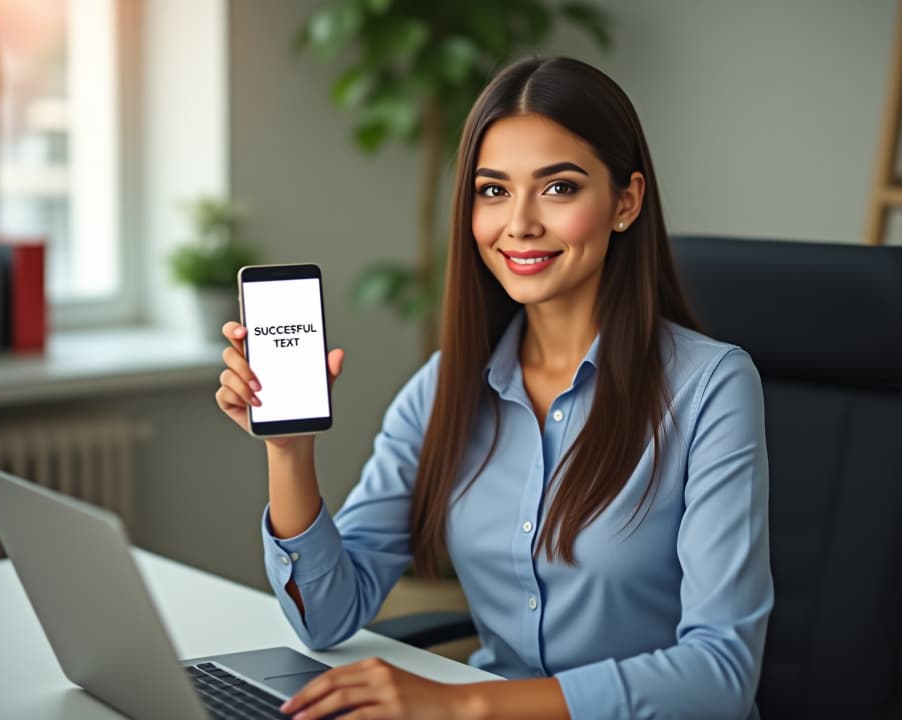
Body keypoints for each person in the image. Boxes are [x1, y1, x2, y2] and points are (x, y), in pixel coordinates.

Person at [216, 56, 773, 720]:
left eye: (559, 188)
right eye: (493, 190)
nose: (520, 224)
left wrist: (467, 704)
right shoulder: (446, 387)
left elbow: (720, 673)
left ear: (625, 202)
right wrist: (289, 452)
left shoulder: (711, 387)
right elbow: (329, 615)